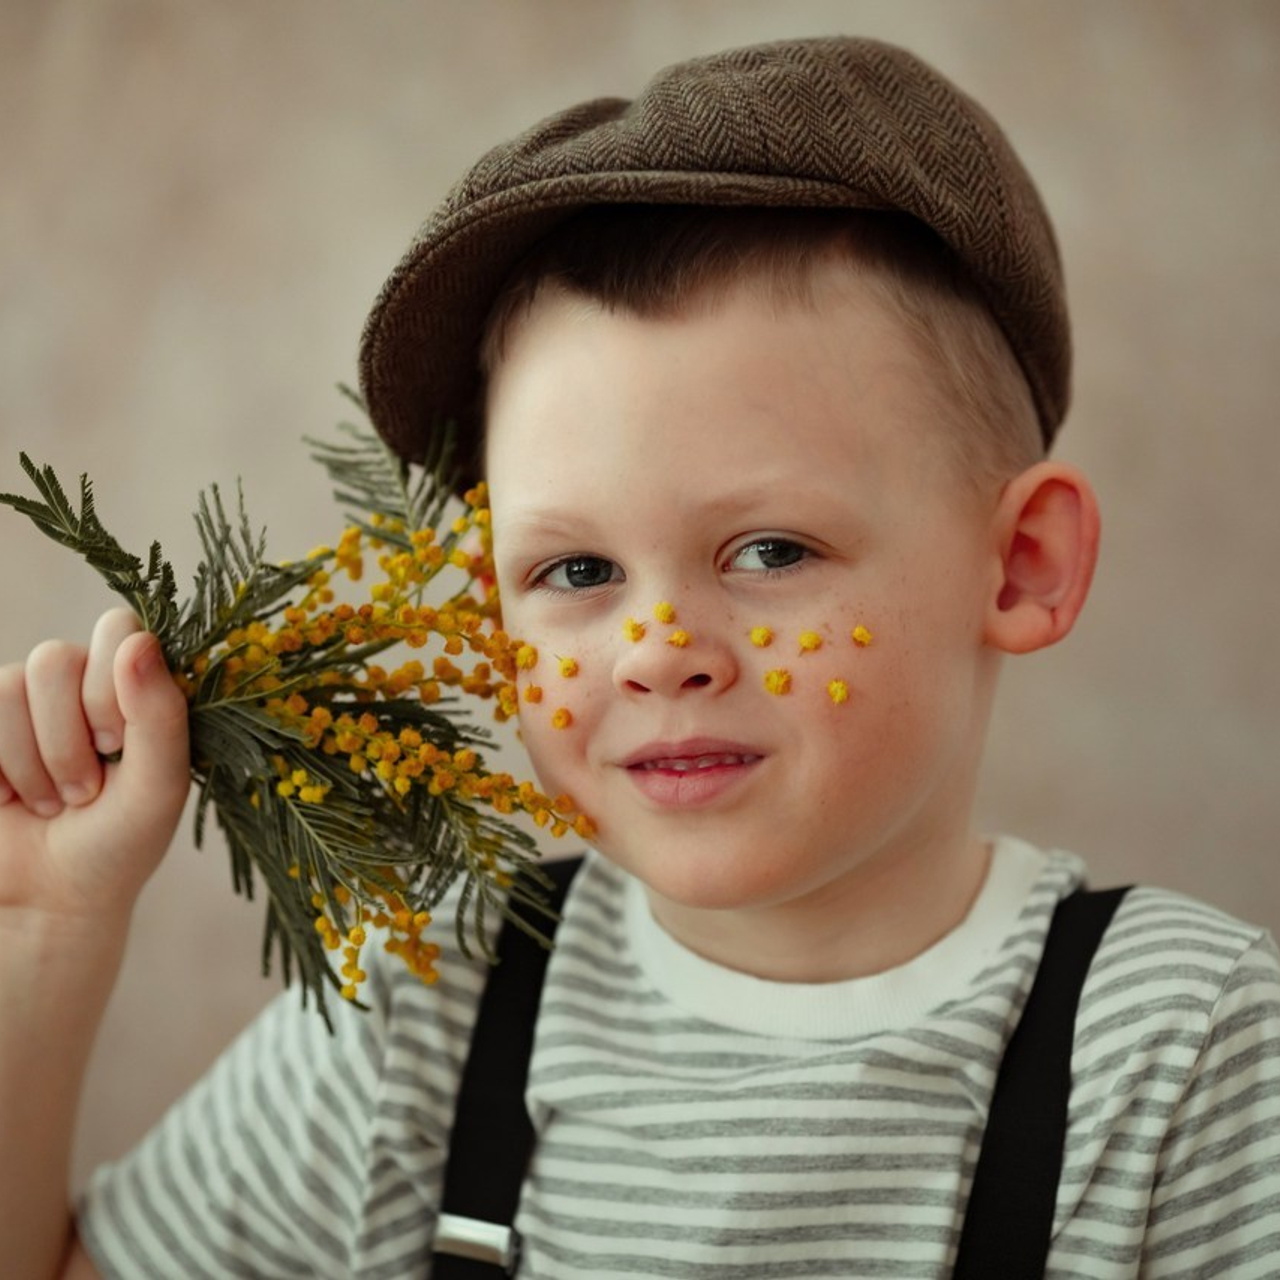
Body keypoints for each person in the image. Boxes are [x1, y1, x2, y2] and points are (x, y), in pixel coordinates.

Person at [3, 35, 1278, 1280]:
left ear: (1019, 566)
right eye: (575, 571)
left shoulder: (1184, 1049)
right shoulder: (429, 1011)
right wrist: (52, 928)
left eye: (770, 550)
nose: (657, 655)